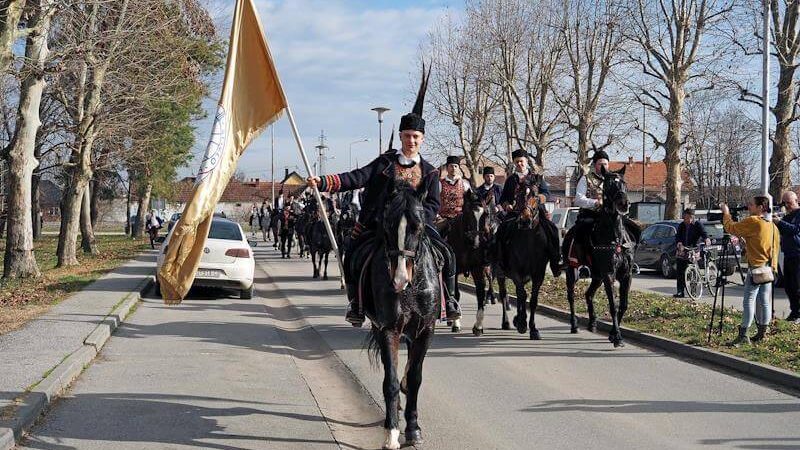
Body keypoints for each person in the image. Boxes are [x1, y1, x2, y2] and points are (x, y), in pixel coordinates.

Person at [307, 67, 461, 327]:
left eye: (416, 137)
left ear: (422, 139)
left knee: (447, 254)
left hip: (416, 228)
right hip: (379, 225)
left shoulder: (432, 172)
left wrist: (416, 219)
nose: (411, 140)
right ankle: (356, 305)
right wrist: (323, 182)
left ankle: (450, 301)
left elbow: (434, 204)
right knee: (352, 253)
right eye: (407, 136)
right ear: (401, 137)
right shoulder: (384, 163)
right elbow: (357, 177)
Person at [562, 150, 638, 271]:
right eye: (600, 164)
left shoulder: (614, 179)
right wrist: (595, 203)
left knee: (633, 229)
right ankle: (582, 263)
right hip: (591, 215)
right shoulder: (586, 179)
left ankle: (630, 260)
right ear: (594, 165)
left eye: (605, 164)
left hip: (611, 216)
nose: (603, 166)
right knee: (580, 231)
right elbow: (578, 199)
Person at [721, 197, 780, 346]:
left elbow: (731, 228)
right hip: (767, 269)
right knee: (765, 301)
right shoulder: (772, 226)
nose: (748, 206)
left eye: (751, 204)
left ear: (761, 207)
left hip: (756, 269)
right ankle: (762, 333)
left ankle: (743, 334)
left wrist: (726, 213)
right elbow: (769, 247)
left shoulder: (753, 221)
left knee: (748, 301)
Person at [496, 149, 559, 259]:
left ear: (526, 161)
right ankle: (500, 263)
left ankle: (555, 261)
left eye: (521, 161)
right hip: (515, 213)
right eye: (516, 162)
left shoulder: (536, 177)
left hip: (536, 212)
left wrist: (537, 199)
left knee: (552, 229)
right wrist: (507, 205)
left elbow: (546, 193)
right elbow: (503, 198)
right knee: (501, 230)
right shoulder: (510, 180)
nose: (519, 164)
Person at [774, 191, 800, 323]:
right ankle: (794, 312)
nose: (787, 205)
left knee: (797, 286)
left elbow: (795, 229)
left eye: (789, 202)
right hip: (788, 254)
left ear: (796, 200)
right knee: (789, 286)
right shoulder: (786, 216)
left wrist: (780, 222)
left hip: (798, 255)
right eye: (784, 203)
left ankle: (798, 314)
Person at [674, 208, 710, 298]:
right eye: (685, 218)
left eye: (689, 218)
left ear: (693, 217)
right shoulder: (681, 225)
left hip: (694, 248)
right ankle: (680, 291)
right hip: (683, 249)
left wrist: (706, 239)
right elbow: (678, 236)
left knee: (693, 271)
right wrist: (679, 243)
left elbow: (704, 233)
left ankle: (693, 291)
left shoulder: (698, 225)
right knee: (680, 270)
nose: (687, 220)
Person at [437, 155, 472, 232]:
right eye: (451, 166)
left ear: (459, 168)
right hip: (443, 219)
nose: (453, 168)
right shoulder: (440, 184)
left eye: (456, 166)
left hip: (461, 219)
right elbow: (434, 200)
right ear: (447, 168)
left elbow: (471, 201)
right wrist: (438, 216)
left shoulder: (465, 184)